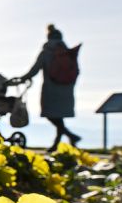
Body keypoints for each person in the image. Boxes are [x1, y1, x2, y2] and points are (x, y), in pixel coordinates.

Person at [20, 24, 80, 152]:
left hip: (51, 90)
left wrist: (23, 78)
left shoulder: (47, 52)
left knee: (52, 115)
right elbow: (76, 71)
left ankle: (69, 137)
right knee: (59, 117)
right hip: (66, 90)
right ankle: (59, 142)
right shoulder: (67, 53)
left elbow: (35, 69)